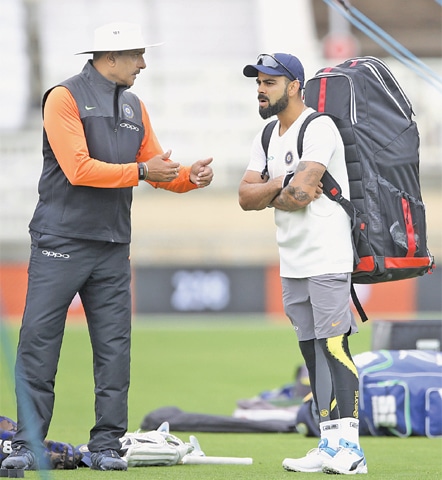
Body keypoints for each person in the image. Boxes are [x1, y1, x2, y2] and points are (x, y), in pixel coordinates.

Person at [1, 22, 213, 472]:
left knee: (115, 349)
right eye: (136, 54)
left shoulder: (135, 105)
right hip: (60, 240)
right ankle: (26, 445)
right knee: (40, 344)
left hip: (113, 245)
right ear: (109, 57)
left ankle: (107, 446)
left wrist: (187, 177)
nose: (143, 62)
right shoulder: (63, 97)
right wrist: (142, 172)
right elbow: (79, 169)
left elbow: (157, 168)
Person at [239, 53, 367, 475]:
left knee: (334, 346)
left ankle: (351, 450)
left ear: (294, 85)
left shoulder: (319, 126)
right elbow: (245, 197)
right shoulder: (266, 136)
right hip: (292, 258)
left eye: (269, 82)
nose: (260, 88)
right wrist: (281, 184)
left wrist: (275, 192)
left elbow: (301, 196)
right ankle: (329, 444)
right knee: (312, 354)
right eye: (258, 82)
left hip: (327, 254)